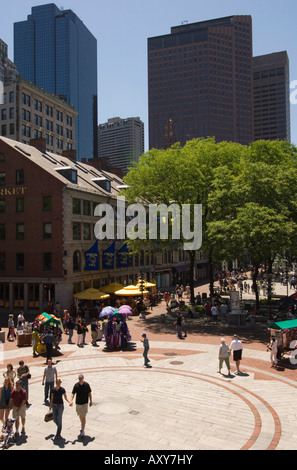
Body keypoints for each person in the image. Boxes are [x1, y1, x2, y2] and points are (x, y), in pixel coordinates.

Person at [69, 374, 92, 439]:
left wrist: (91, 401)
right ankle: (82, 424)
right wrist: (71, 400)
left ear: (83, 378)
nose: (80, 379)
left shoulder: (86, 385)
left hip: (84, 403)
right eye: (79, 378)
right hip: (78, 403)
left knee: (83, 416)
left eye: (81, 378)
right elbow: (73, 394)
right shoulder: (76, 385)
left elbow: (89, 393)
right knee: (80, 415)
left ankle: (83, 430)